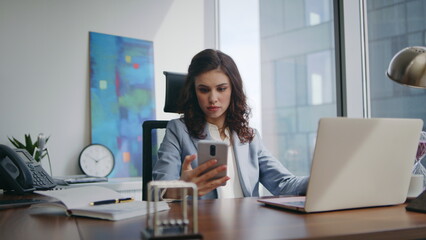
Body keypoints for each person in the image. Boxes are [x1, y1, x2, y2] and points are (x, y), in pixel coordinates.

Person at [153, 49, 308, 199]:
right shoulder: (178, 130)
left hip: (246, 223)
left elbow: (284, 183)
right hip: (203, 223)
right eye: (204, 90)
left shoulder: (249, 136)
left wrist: (320, 180)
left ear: (233, 90)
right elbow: (158, 190)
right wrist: (182, 188)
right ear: (194, 92)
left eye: (221, 89)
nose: (213, 98)